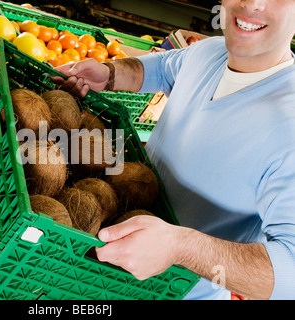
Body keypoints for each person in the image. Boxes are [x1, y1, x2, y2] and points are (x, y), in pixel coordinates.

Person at [49, 0, 295, 300]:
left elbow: (289, 276)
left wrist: (182, 246)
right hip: (104, 264)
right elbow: (163, 69)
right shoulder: (210, 52)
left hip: (175, 294)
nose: (252, 3)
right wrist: (109, 73)